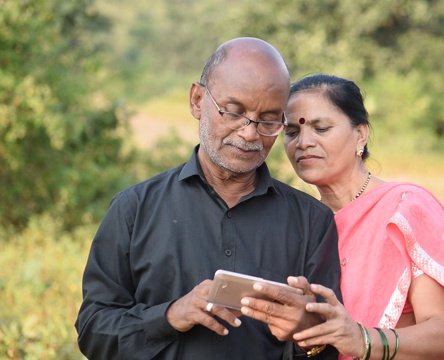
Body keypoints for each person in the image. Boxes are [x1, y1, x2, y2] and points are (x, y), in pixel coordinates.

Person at [74, 39, 342, 359]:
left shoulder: (312, 221)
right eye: (233, 111)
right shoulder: (133, 210)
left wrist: (306, 334)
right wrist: (171, 316)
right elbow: (93, 331)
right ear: (197, 100)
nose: (249, 133)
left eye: (268, 119)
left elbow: (328, 346)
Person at [281, 74, 444, 359]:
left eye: (321, 128)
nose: (304, 142)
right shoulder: (301, 225)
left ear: (361, 134)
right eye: (292, 132)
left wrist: (364, 340)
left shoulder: (405, 208)